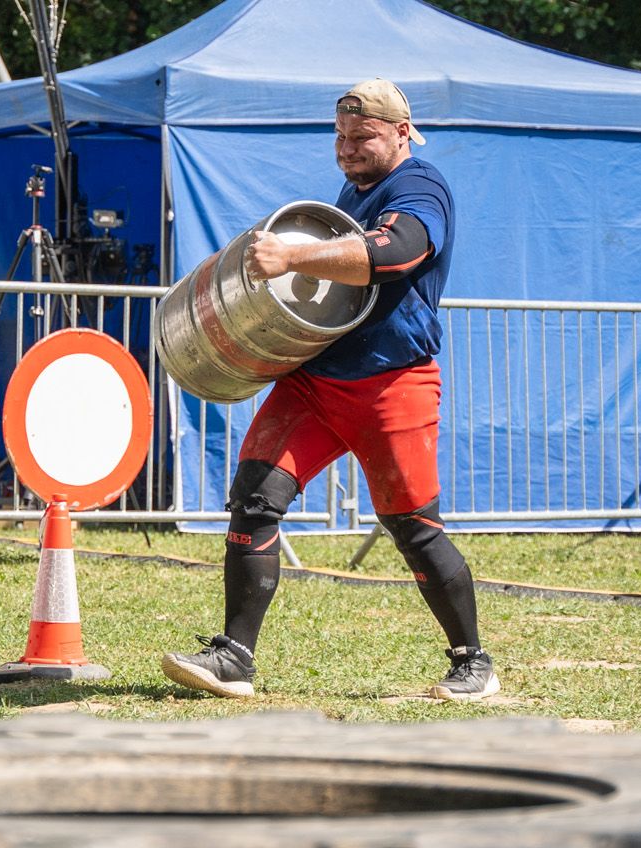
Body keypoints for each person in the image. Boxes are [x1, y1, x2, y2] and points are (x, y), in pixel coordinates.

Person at [161, 79, 497, 702]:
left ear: (402, 133)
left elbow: (396, 252)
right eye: (340, 136)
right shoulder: (355, 191)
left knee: (413, 527)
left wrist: (291, 257)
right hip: (317, 381)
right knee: (254, 498)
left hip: (392, 384)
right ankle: (234, 657)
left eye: (362, 136)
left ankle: (473, 661)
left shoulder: (420, 186)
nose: (346, 148)